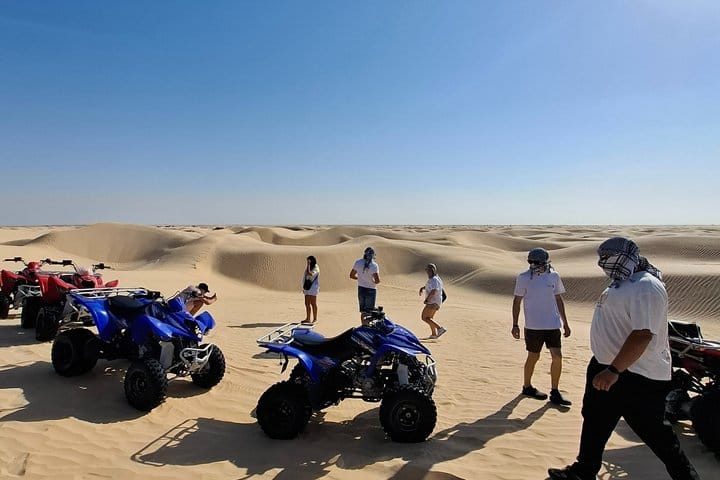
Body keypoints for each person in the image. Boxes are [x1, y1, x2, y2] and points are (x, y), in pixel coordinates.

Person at [548, 237, 700, 480]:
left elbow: (642, 335)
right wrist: (606, 367)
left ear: (625, 258)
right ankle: (584, 471)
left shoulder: (646, 286)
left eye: (608, 257)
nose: (603, 262)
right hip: (607, 368)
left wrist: (614, 371)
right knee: (595, 421)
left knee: (656, 434)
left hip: (636, 375)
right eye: (601, 257)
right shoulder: (622, 283)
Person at [512, 247, 572, 406]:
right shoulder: (523, 278)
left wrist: (565, 323)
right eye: (531, 262)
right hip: (533, 326)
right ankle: (527, 387)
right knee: (533, 356)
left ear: (545, 262)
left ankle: (555, 392)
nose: (533, 265)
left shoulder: (554, 276)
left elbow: (558, 299)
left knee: (557, 357)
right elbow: (517, 301)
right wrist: (515, 324)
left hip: (552, 324)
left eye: (536, 262)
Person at [349, 246, 380, 324]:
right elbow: (377, 281)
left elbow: (351, 275)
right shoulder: (374, 265)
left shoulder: (358, 262)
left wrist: (360, 278)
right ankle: (367, 326)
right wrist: (372, 281)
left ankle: (364, 325)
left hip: (361, 289)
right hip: (371, 289)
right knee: (369, 311)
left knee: (363, 311)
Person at [419, 263, 446, 339]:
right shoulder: (436, 278)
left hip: (432, 302)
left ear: (431, 270)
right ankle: (434, 334)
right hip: (436, 302)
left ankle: (440, 329)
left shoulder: (434, 279)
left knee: (424, 317)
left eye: (427, 270)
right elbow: (433, 287)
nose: (427, 271)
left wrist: (427, 299)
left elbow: (434, 290)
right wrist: (423, 288)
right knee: (429, 318)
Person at [302, 255, 320, 323]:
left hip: (313, 288)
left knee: (313, 303)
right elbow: (305, 276)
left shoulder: (316, 267)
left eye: (309, 261)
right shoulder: (309, 267)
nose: (307, 262)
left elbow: (310, 274)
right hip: (307, 287)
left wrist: (308, 265)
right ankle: (308, 318)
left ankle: (315, 319)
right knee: (307, 303)